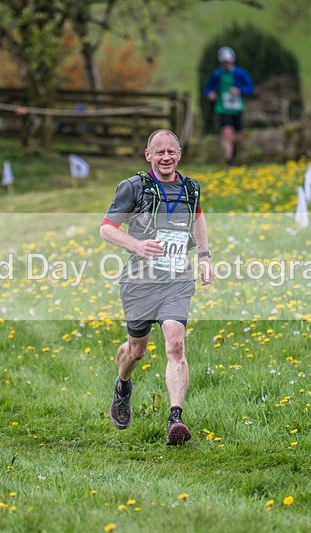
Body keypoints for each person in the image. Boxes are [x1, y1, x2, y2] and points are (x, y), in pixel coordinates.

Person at [100, 129, 213, 445]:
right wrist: (137, 245)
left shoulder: (190, 188)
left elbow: (198, 220)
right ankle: (123, 385)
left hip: (176, 280)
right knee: (136, 350)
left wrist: (204, 257)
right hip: (139, 282)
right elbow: (107, 229)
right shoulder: (134, 187)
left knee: (175, 346)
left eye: (172, 152)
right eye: (159, 152)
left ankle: (175, 419)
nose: (166, 157)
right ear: (148, 155)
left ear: (180, 154)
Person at [203, 46, 254, 166]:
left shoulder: (240, 73)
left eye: (228, 61)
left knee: (237, 136)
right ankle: (229, 161)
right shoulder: (216, 74)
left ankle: (234, 154)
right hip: (222, 108)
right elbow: (208, 88)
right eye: (224, 62)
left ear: (233, 60)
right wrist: (210, 94)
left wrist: (240, 90)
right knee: (226, 133)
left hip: (237, 108)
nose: (226, 64)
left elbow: (250, 87)